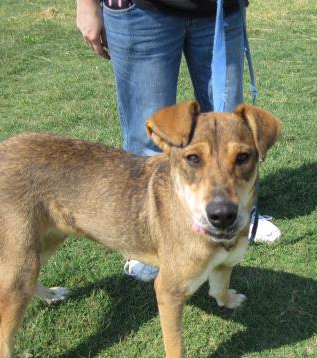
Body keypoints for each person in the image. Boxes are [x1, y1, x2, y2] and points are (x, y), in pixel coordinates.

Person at [76, 0, 281, 281]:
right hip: (140, 10)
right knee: (148, 142)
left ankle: (240, 216)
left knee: (231, 132)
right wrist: (87, 4)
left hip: (219, 9)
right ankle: (147, 244)